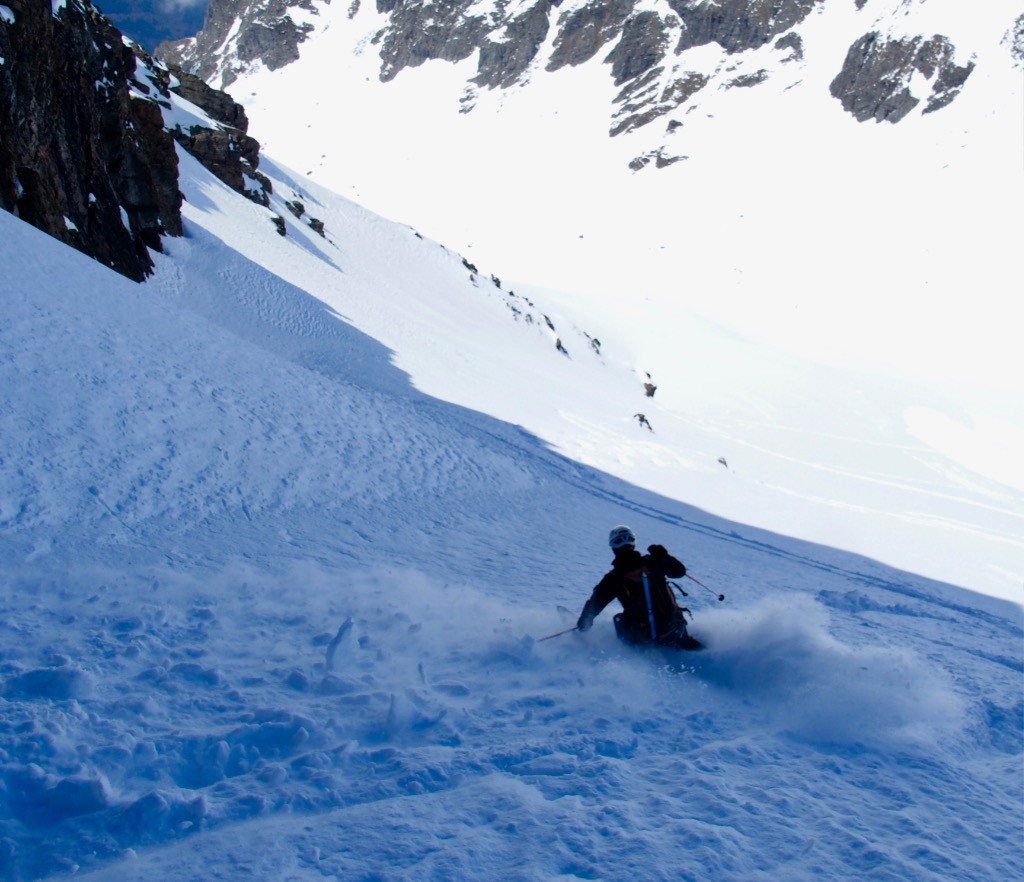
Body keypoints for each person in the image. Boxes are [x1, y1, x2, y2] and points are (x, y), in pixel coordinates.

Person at [576, 525, 702, 650]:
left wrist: (584, 623)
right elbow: (679, 571)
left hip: (643, 635)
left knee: (619, 619)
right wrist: (664, 556)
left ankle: (633, 654)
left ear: (613, 548)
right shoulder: (652, 562)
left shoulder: (614, 577)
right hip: (674, 628)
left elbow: (596, 602)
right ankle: (692, 646)